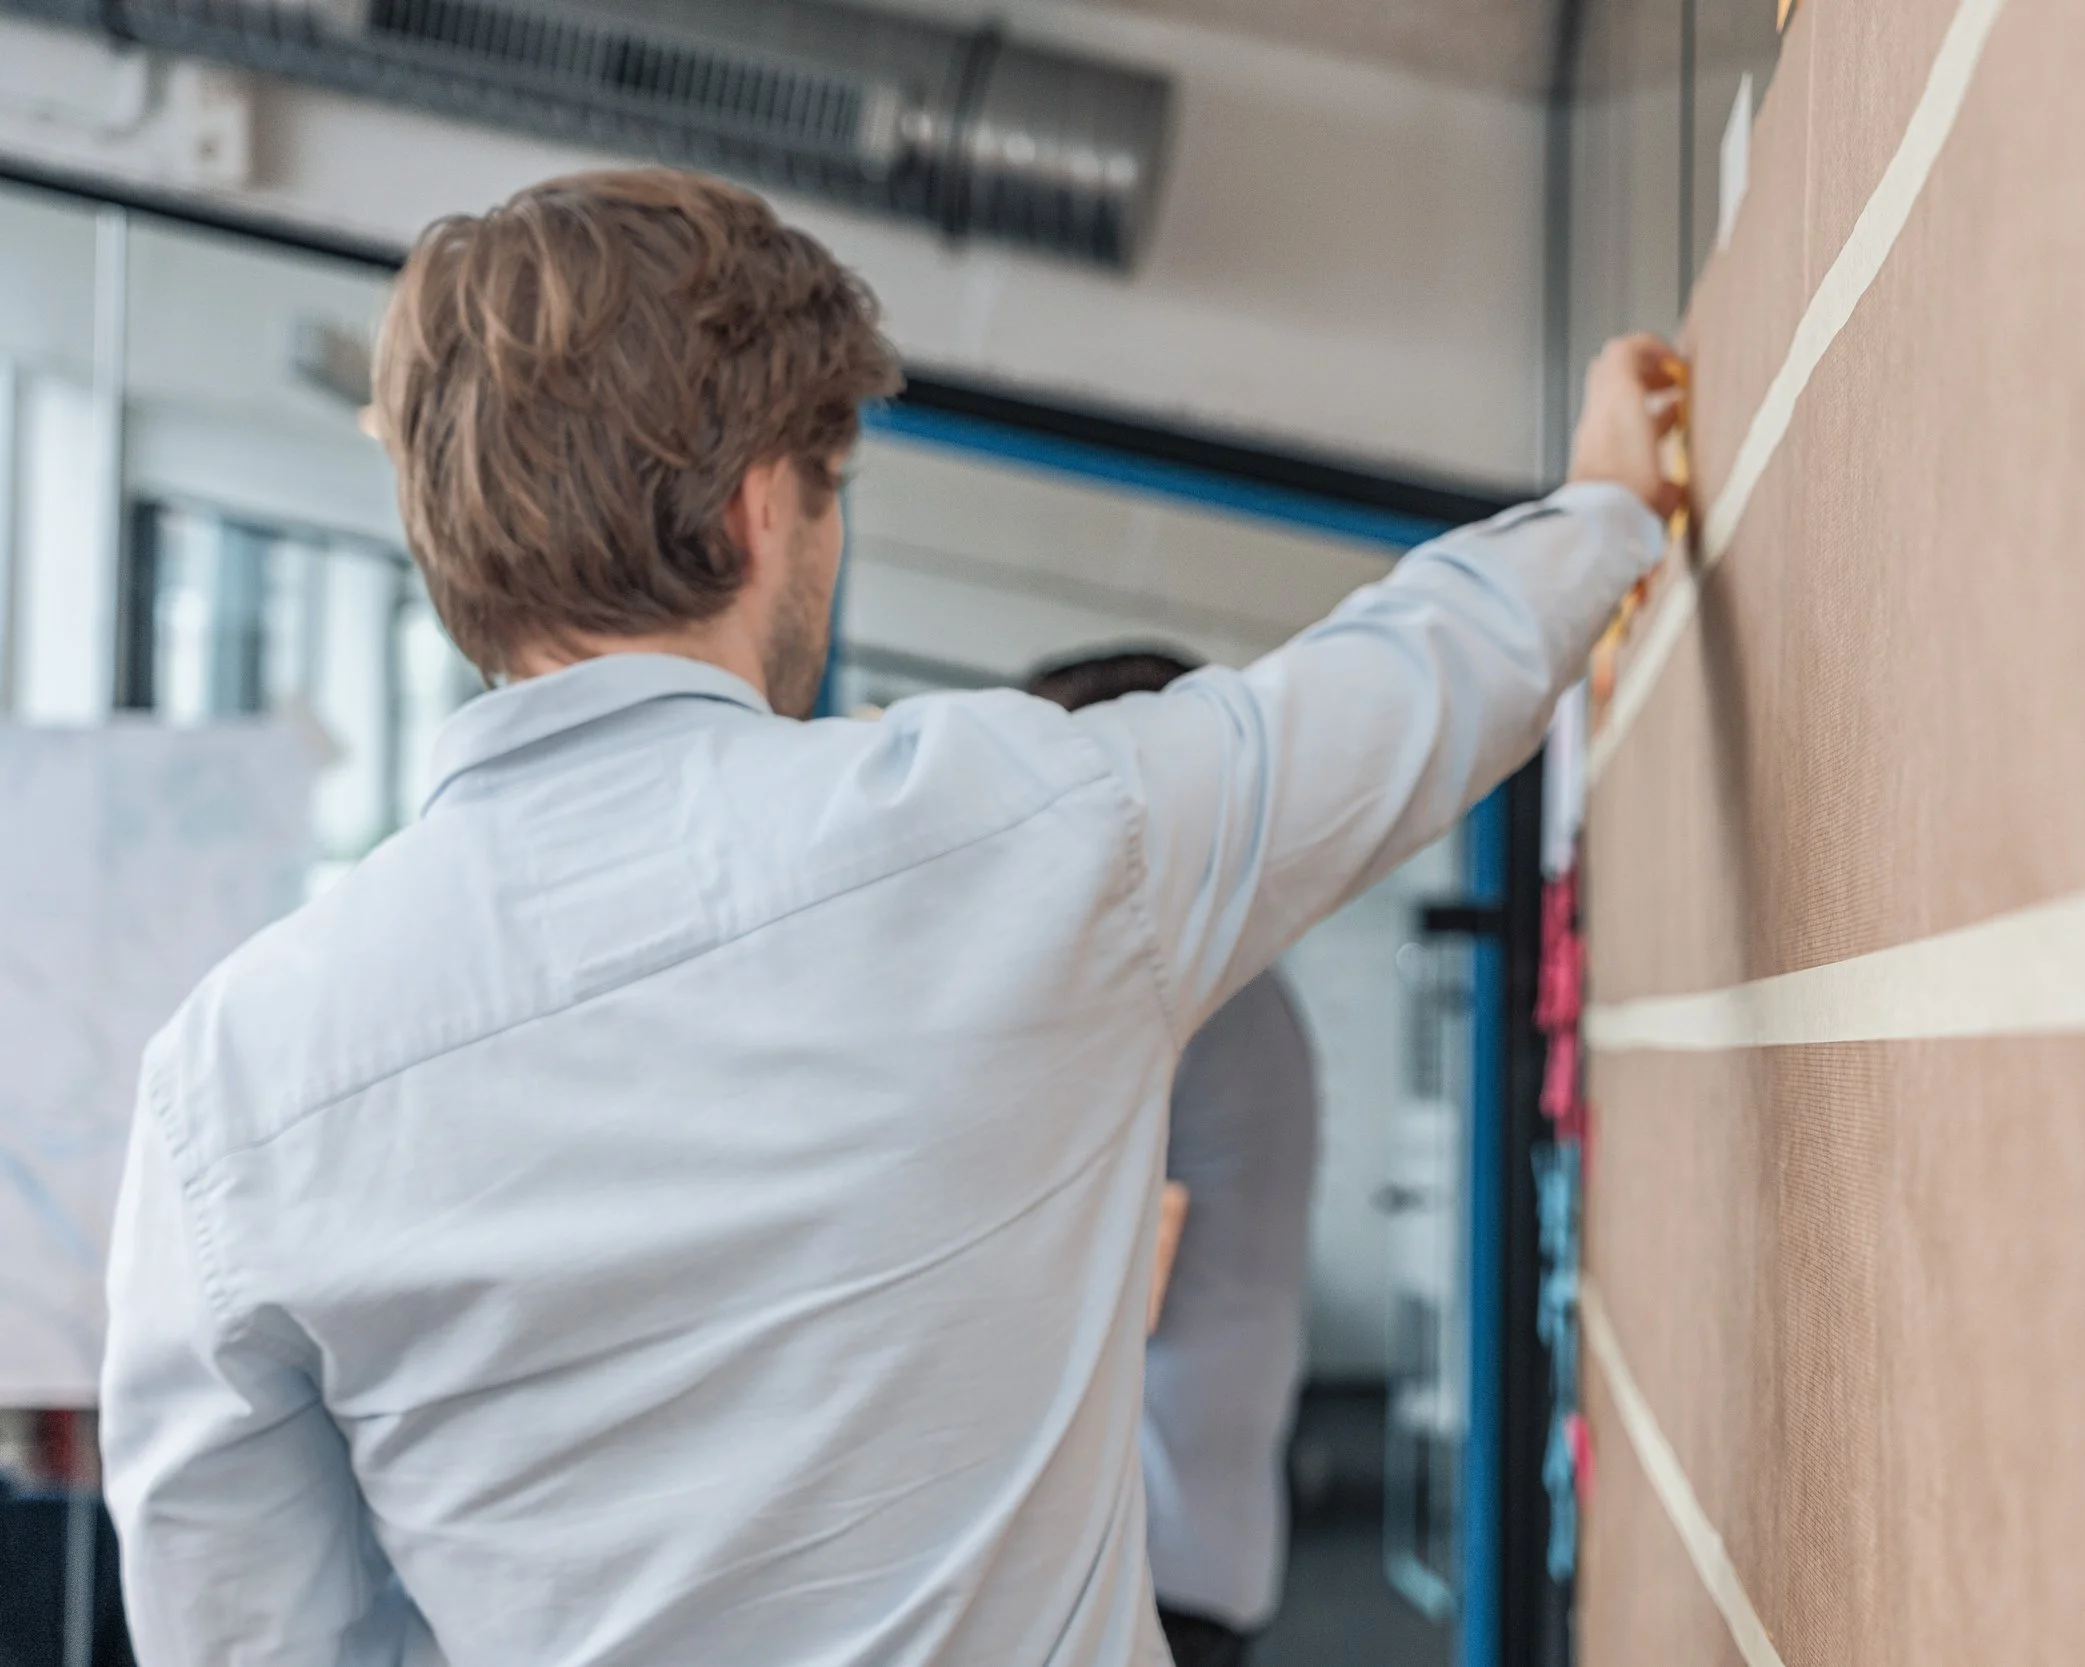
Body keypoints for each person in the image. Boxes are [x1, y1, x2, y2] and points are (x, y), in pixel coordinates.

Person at [98, 167, 1684, 1667]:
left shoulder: (230, 1083)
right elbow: (1393, 696)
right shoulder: (1020, 831)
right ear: (754, 507)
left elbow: (251, 1629)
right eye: (830, 482)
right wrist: (1606, 500)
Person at [1028, 651, 1319, 1667]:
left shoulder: (1168, 989)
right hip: (1188, 1546)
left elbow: (1101, 1279)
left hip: (1151, 1562)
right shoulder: (1223, 976)